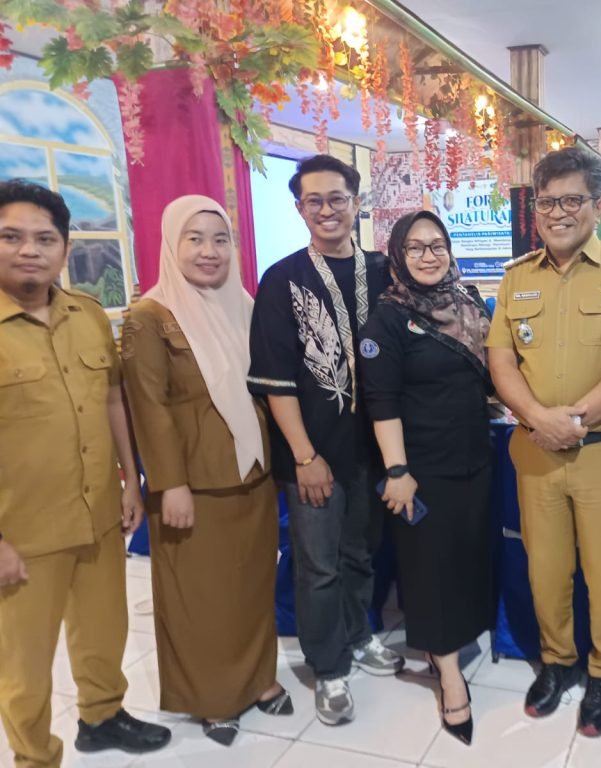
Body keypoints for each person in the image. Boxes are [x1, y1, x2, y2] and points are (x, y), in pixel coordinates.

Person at [486, 145, 601, 737]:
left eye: (571, 200)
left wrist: (572, 419)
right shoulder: (517, 277)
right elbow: (501, 361)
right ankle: (557, 663)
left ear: (597, 203)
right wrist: (538, 417)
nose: (558, 213)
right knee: (546, 568)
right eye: (547, 202)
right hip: (536, 450)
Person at [0, 180, 171, 766]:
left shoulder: (89, 316)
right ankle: (34, 757)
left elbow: (113, 400)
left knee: (103, 630)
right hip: (22, 530)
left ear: (64, 248)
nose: (30, 250)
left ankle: (102, 716)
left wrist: (131, 479)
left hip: (96, 510)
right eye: (11, 237)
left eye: (44, 238)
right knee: (23, 663)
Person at [120, 195, 291, 746]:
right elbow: (149, 407)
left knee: (252, 586)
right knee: (201, 598)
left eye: (220, 240)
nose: (209, 251)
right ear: (172, 245)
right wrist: (169, 483)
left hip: (252, 475)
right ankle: (214, 696)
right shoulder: (149, 318)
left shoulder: (244, 305)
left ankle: (259, 678)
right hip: (193, 484)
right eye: (194, 239)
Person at [247, 154, 404, 726]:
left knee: (360, 553)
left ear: (356, 203)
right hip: (315, 455)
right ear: (300, 209)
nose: (326, 209)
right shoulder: (281, 280)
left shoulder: (386, 272)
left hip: (374, 452)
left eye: (337, 198)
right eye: (313, 201)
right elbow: (276, 379)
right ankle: (329, 667)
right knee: (318, 566)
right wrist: (304, 456)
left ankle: (359, 635)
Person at [360, 210, 494, 746]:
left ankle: (457, 641)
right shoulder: (388, 320)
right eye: (415, 247)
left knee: (466, 558)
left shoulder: (468, 304)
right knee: (431, 570)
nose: (428, 256)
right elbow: (381, 401)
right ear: (398, 255)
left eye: (437, 245)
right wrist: (397, 470)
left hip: (474, 460)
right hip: (421, 470)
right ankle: (449, 675)